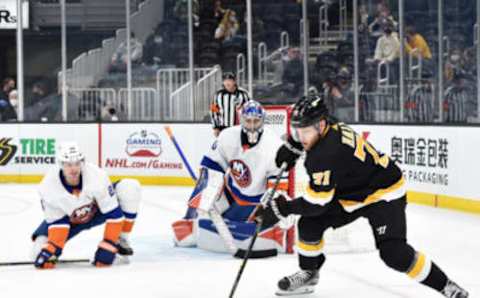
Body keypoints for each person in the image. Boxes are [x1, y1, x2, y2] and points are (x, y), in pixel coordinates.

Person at [255, 95, 469, 297]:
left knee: (394, 253)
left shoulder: (325, 154)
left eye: (305, 132)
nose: (301, 137)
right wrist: (293, 145)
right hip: (352, 192)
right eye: (297, 131)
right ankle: (309, 274)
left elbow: (318, 202)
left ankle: (447, 286)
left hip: (383, 193)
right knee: (310, 224)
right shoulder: (327, 125)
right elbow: (317, 203)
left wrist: (284, 208)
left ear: (320, 126)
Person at [173, 101, 292, 257]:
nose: (252, 125)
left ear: (262, 121)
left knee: (245, 224)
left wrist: (272, 205)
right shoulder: (228, 136)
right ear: (241, 120)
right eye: (248, 121)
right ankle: (189, 221)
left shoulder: (274, 145)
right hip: (230, 191)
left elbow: (277, 186)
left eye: (256, 121)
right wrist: (209, 190)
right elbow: (211, 166)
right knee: (204, 196)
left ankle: (269, 233)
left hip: (254, 201)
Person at [31, 142, 142, 269]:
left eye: (77, 164)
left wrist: (109, 244)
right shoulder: (48, 187)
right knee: (36, 254)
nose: (74, 169)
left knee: (129, 187)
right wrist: (53, 249)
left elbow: (114, 214)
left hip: (96, 212)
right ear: (61, 165)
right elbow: (58, 224)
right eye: (69, 165)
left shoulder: (97, 176)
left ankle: (120, 242)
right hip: (69, 221)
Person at [210, 72, 250, 137]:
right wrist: (216, 127)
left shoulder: (243, 94)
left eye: (229, 80)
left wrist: (248, 126)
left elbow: (249, 110)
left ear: (234, 82)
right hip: (223, 127)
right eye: (225, 81)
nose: (227, 83)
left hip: (239, 127)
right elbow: (214, 111)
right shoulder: (218, 94)